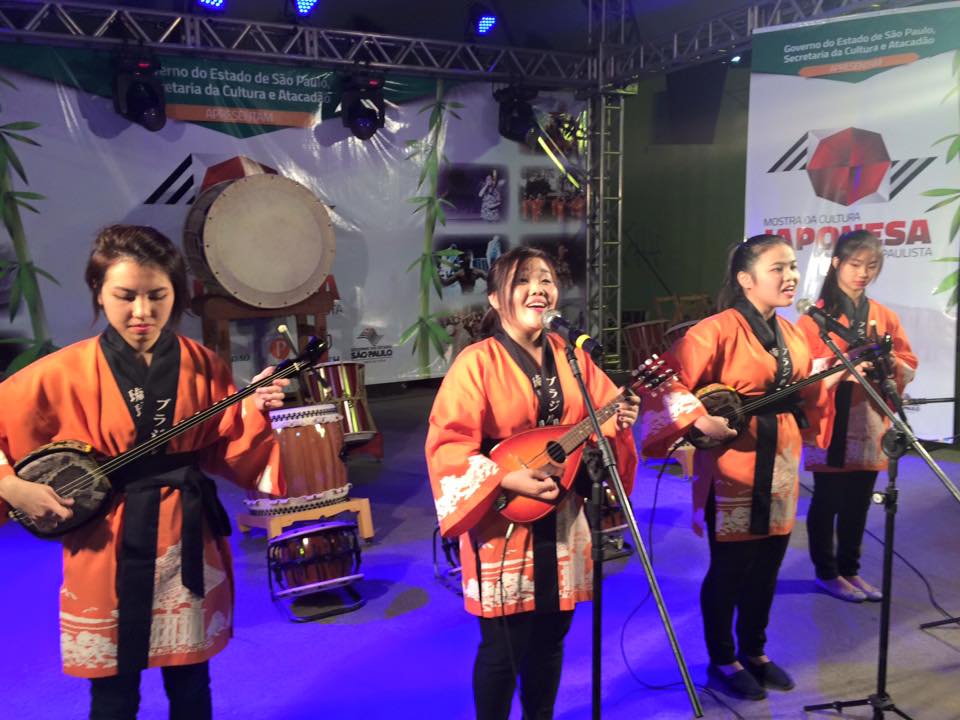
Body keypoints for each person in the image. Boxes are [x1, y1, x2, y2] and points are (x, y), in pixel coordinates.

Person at [0, 225, 289, 720]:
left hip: (185, 533)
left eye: (158, 295)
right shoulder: (62, 372)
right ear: (98, 292)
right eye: (125, 296)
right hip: (105, 537)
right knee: (113, 692)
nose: (142, 311)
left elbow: (221, 444)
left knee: (191, 682)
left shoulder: (202, 364)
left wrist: (252, 407)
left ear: (176, 294)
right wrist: (10, 485)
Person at [425, 246, 639, 719]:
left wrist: (621, 417)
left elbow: (602, 416)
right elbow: (448, 445)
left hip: (562, 514)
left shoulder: (573, 356)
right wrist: (505, 476)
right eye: (522, 280)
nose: (537, 289)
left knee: (551, 637)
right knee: (504, 647)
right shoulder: (477, 363)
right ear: (495, 299)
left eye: (545, 279)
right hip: (502, 518)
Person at [639, 234, 848, 701]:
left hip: (781, 458)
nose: (790, 276)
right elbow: (665, 382)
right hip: (733, 461)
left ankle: (755, 651)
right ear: (745, 279)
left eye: (792, 266)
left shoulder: (791, 332)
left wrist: (832, 376)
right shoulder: (713, 330)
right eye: (778, 268)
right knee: (731, 566)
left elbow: (805, 392)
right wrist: (698, 419)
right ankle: (722, 659)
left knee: (769, 562)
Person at [798, 230, 917, 603]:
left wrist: (888, 361)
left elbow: (907, 362)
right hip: (832, 417)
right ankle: (826, 573)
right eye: (855, 264)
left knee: (860, 499)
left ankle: (850, 569)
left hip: (869, 418)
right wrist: (842, 367)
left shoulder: (883, 315)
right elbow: (802, 371)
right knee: (828, 499)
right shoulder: (815, 317)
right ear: (836, 264)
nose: (863, 273)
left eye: (871, 266)